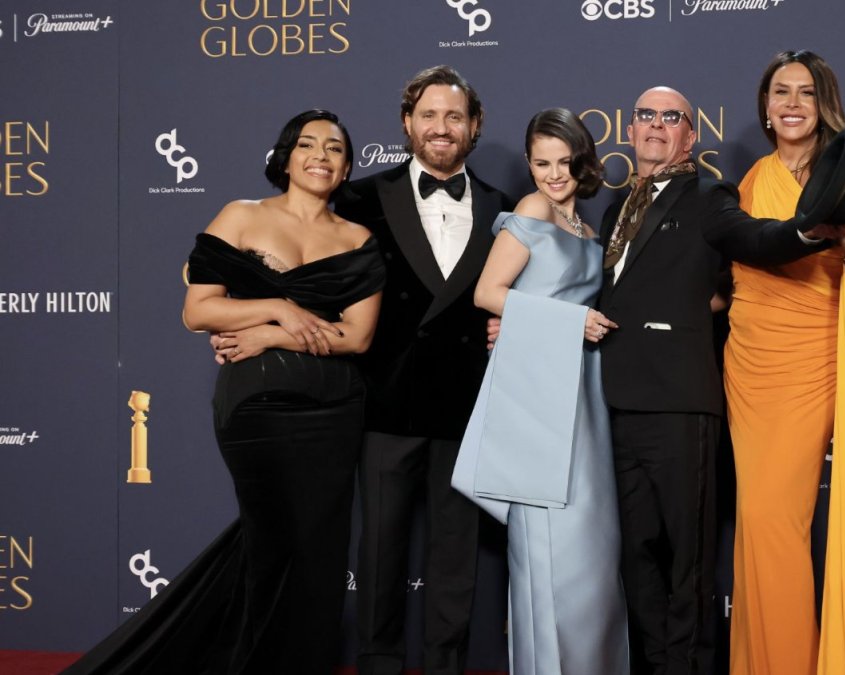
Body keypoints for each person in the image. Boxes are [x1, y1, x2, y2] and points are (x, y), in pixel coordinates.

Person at [65, 109, 386, 675]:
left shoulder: (358, 238)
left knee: (320, 550)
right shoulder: (241, 216)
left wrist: (268, 333)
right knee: (275, 541)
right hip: (257, 408)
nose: (320, 155)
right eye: (307, 144)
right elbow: (198, 308)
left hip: (336, 409)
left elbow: (357, 337)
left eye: (334, 148)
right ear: (284, 158)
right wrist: (280, 307)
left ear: (347, 167)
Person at [597, 85, 845, 675]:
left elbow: (755, 239)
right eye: (644, 115)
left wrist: (807, 231)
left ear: (689, 135)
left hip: (683, 403)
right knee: (637, 559)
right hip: (618, 403)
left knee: (688, 564)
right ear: (630, 130)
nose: (655, 126)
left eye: (670, 117)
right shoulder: (612, 207)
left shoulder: (709, 194)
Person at [334, 65, 513, 675]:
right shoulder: (358, 198)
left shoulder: (504, 209)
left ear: (475, 126)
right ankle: (379, 662)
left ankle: (445, 665)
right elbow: (309, 277)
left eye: (454, 116)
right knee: (380, 549)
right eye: (429, 115)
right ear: (407, 123)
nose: (442, 128)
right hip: (385, 404)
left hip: (468, 409)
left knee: (455, 556)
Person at [724, 50, 845, 675]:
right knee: (758, 526)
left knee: (774, 523)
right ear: (765, 107)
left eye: (806, 93)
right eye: (780, 92)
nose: (792, 103)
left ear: (823, 106)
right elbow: (731, 277)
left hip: (813, 359)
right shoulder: (745, 182)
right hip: (747, 364)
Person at [451, 108, 629, 675]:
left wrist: (565, 321)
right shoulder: (531, 209)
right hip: (536, 395)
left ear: (583, 161)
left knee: (591, 550)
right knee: (547, 550)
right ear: (529, 164)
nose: (554, 174)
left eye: (565, 162)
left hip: (585, 394)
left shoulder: (590, 230)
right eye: (541, 162)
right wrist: (565, 321)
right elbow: (487, 293)